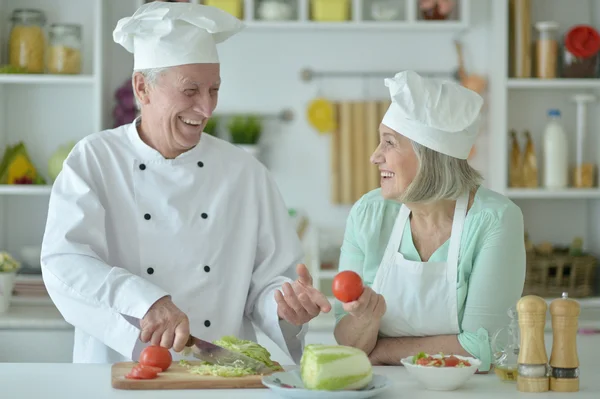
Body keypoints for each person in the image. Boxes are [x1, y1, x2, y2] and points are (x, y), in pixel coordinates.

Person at [40, 1, 330, 365]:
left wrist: (287, 307)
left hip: (220, 376)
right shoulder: (94, 161)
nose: (207, 109)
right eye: (191, 91)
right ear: (142, 88)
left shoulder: (245, 174)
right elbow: (64, 263)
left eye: (214, 90)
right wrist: (145, 300)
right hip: (119, 372)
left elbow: (271, 282)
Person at [333, 70, 526, 373]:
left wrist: (382, 349)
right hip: (378, 389)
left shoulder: (494, 220)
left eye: (389, 143)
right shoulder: (368, 214)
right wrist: (365, 321)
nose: (375, 157)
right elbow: (347, 344)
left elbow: (485, 347)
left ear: (429, 156)